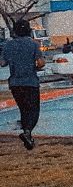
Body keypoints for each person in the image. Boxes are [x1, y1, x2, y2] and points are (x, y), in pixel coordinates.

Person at [0, 18, 45, 150]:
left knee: (23, 109)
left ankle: (28, 140)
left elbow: (2, 63)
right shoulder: (33, 44)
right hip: (30, 82)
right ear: (28, 30)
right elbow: (41, 62)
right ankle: (27, 132)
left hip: (15, 83)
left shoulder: (8, 45)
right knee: (34, 110)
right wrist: (36, 66)